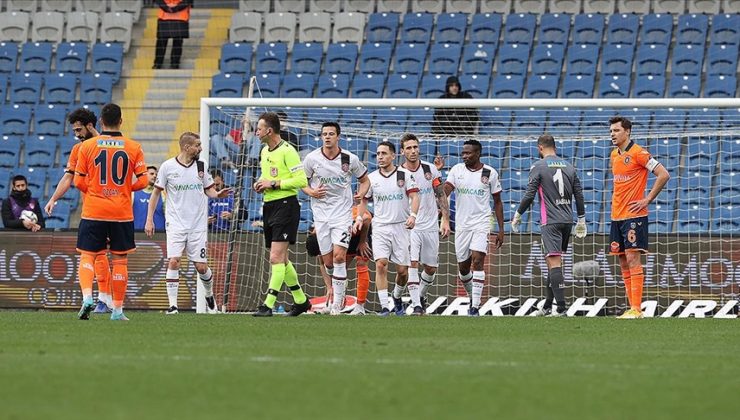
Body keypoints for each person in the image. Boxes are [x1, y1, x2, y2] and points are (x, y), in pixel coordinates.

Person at [73, 103, 149, 321]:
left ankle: (87, 296)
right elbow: (143, 180)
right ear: (121, 121)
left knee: (88, 255)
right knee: (120, 261)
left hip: (94, 210)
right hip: (121, 212)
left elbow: (78, 180)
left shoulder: (87, 147)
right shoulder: (133, 147)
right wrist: (124, 188)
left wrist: (97, 191)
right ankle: (117, 310)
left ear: (100, 122)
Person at [145, 132, 230, 314]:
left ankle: (209, 296)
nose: (200, 148)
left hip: (197, 225)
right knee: (174, 261)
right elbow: (156, 194)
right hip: (175, 223)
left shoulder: (202, 165)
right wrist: (149, 219)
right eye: (197, 145)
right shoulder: (167, 167)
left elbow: (209, 190)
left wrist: (217, 194)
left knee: (201, 267)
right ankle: (173, 306)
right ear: (186, 147)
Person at [511, 135, 588, 317]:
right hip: (567, 221)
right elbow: (579, 194)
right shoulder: (570, 166)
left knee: (554, 264)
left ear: (540, 148)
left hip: (550, 221)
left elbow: (530, 194)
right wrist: (582, 219)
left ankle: (560, 308)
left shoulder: (538, 166)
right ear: (555, 147)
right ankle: (546, 306)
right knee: (553, 262)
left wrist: (518, 214)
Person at [46, 107, 113, 313]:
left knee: (92, 253)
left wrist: (53, 199)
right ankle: (107, 301)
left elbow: (70, 179)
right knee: (105, 255)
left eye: (78, 130)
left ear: (90, 126)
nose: (76, 134)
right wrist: (54, 198)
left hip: (95, 209)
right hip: (115, 209)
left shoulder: (85, 149)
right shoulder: (114, 144)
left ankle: (101, 299)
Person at [302, 122, 370, 315]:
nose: (327, 137)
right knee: (329, 262)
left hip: (342, 214)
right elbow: (302, 182)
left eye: (331, 134)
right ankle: (335, 295)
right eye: (324, 134)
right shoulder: (311, 159)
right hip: (321, 216)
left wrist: (361, 193)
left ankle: (336, 306)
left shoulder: (350, 159)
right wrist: (312, 192)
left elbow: (365, 180)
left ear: (338, 136)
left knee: (340, 256)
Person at [608, 116, 670, 319]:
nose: (612, 134)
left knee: (633, 258)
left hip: (634, 215)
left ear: (627, 132)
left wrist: (648, 199)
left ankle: (637, 309)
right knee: (623, 262)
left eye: (616, 130)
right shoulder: (613, 155)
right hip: (617, 215)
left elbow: (663, 174)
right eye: (611, 131)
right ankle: (632, 307)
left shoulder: (639, 153)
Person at [252, 112, 311, 317]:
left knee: (276, 257)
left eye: (259, 128)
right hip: (269, 205)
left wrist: (274, 183)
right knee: (282, 259)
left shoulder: (288, 151)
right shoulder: (264, 151)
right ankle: (301, 301)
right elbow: (266, 176)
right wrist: (260, 182)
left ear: (269, 130)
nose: (256, 131)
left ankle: (268, 305)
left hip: (286, 206)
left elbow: (301, 180)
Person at [359, 141, 421, 316]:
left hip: (401, 227)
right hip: (380, 227)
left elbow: (415, 197)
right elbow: (363, 200)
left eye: (384, 153)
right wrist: (358, 217)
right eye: (378, 154)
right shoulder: (371, 178)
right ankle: (385, 306)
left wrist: (413, 215)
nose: (380, 157)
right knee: (381, 264)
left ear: (393, 156)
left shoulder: (405, 175)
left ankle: (397, 296)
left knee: (402, 272)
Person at [443, 139, 505, 316]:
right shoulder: (457, 170)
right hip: (462, 225)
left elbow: (498, 202)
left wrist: (501, 230)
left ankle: (475, 307)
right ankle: (473, 296)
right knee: (463, 269)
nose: (464, 156)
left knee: (477, 260)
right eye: (463, 153)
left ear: (478, 153)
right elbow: (445, 191)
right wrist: (439, 179)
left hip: (482, 223)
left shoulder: (489, 173)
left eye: (468, 153)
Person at [396, 134, 450, 311]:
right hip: (409, 225)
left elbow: (440, 194)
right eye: (409, 148)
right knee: (412, 263)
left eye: (415, 147)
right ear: (402, 151)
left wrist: (445, 221)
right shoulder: (398, 174)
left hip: (430, 224)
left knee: (431, 268)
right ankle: (417, 306)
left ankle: (417, 295)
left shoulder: (430, 169)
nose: (413, 151)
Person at [306, 205, 373, 315]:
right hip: (343, 236)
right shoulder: (319, 235)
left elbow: (367, 218)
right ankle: (337, 302)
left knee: (361, 263)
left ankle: (360, 307)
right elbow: (322, 263)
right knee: (340, 270)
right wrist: (329, 287)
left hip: (362, 231)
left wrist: (362, 242)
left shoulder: (351, 221)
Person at [153, 0, 193, 69]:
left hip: (173, 16)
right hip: (175, 16)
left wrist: (167, 8)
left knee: (174, 42)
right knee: (163, 42)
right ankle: (162, 63)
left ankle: (171, 63)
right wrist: (170, 8)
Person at [133, 166, 165, 232]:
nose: (155, 176)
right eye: (152, 174)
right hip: (137, 233)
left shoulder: (163, 194)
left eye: (156, 174)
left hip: (159, 234)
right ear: (144, 175)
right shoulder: (133, 193)